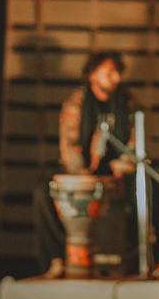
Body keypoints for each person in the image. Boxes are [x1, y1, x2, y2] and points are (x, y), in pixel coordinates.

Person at [32, 51, 137, 278]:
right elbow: (69, 146)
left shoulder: (127, 103)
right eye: (109, 72)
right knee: (43, 192)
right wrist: (84, 175)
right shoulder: (76, 103)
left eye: (117, 72)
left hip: (118, 173)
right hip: (82, 173)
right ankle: (56, 258)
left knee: (150, 195)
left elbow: (134, 143)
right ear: (92, 75)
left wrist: (123, 165)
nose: (116, 78)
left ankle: (136, 260)